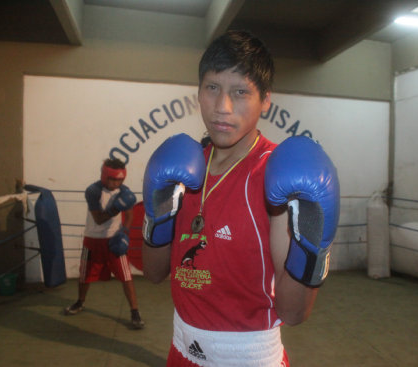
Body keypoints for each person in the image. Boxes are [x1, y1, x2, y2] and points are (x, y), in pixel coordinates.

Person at [142, 30, 340, 366]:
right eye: (213, 88)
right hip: (180, 351)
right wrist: (157, 216)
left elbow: (292, 313)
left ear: (265, 100)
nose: (222, 107)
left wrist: (311, 248)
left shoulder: (273, 177)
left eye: (240, 92)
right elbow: (154, 273)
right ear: (199, 91)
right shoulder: (185, 167)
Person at [65, 158, 145, 330]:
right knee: (84, 274)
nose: (116, 183)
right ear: (104, 176)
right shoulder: (93, 191)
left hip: (114, 239)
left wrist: (125, 232)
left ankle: (135, 312)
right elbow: (99, 219)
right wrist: (116, 208)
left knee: (126, 275)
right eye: (112, 179)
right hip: (92, 239)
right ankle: (80, 302)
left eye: (119, 180)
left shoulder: (125, 192)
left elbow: (130, 215)